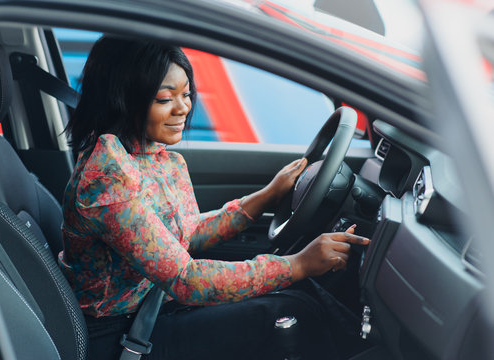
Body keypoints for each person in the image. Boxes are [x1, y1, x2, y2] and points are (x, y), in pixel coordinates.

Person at [59, 36, 370, 360]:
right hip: (119, 335)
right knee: (293, 312)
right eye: (166, 98)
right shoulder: (108, 179)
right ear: (123, 99)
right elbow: (186, 279)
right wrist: (298, 264)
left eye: (187, 94)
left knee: (300, 294)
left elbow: (186, 235)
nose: (183, 108)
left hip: (152, 305)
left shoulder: (153, 156)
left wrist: (265, 196)